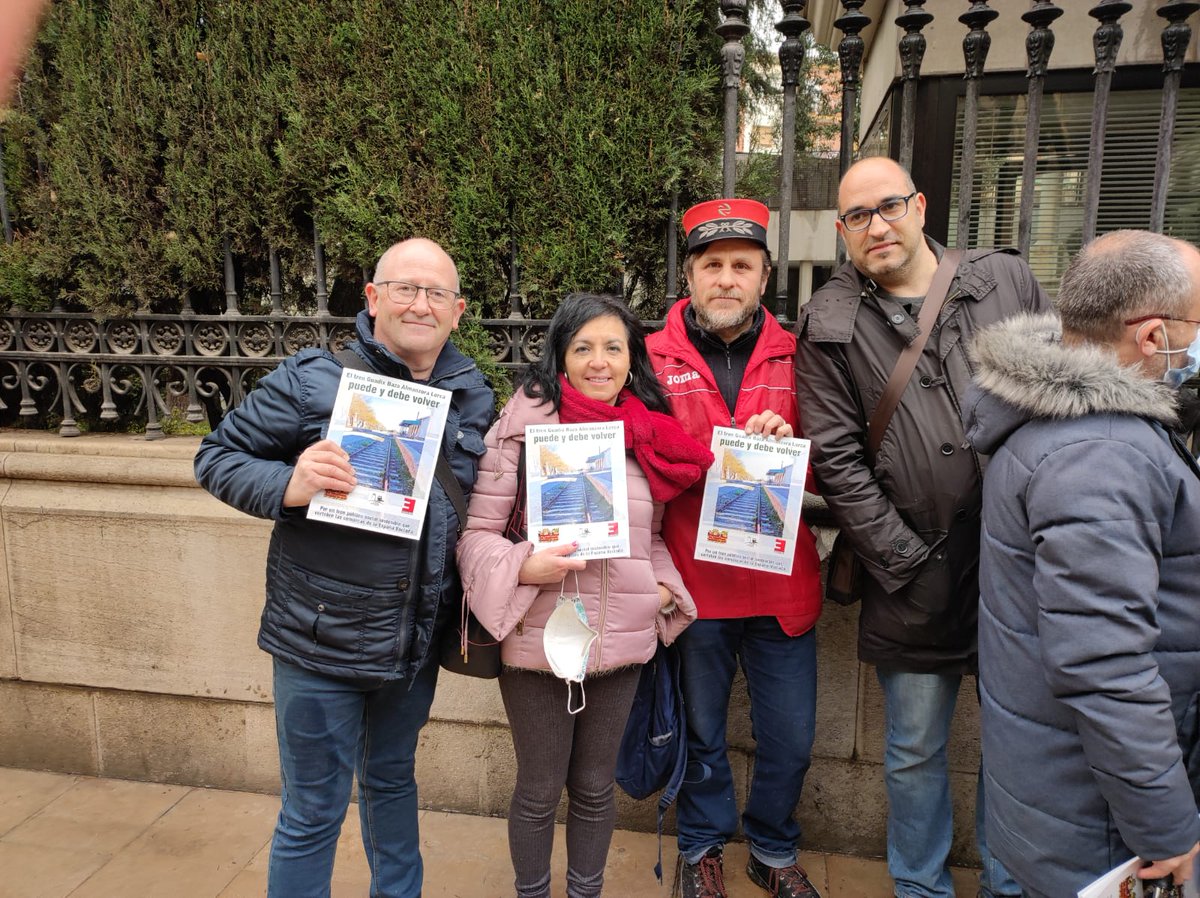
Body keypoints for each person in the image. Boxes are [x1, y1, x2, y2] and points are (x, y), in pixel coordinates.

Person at [194, 238, 494, 898]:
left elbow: (484, 505)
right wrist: (291, 484)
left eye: (437, 293)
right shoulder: (312, 379)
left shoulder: (472, 395)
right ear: (374, 298)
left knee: (392, 790)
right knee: (312, 813)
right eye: (406, 288)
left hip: (409, 648)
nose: (421, 304)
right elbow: (216, 458)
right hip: (318, 643)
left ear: (458, 310)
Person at [794, 156, 1049, 898]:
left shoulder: (1003, 280)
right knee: (911, 748)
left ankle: (1010, 883)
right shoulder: (829, 322)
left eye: (888, 206)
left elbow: (1056, 394)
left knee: (1016, 745)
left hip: (1017, 560)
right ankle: (921, 887)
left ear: (920, 205)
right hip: (912, 570)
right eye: (857, 217)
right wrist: (901, 557)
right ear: (842, 232)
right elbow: (836, 457)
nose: (876, 226)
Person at [964, 230, 1200, 898]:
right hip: (1103, 826)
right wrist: (1168, 828)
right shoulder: (1100, 453)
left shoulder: (1072, 426)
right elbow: (1105, 665)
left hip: (1067, 797)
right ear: (1152, 337)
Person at [456, 292, 708, 898]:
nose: (600, 362)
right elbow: (475, 540)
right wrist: (523, 565)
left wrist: (664, 587)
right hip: (539, 640)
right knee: (539, 789)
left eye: (613, 348)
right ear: (561, 357)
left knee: (596, 788)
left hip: (620, 639)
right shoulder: (518, 433)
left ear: (631, 358)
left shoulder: (645, 436)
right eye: (583, 347)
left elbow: (647, 542)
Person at [646, 199, 824, 898]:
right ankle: (701, 847)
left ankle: (773, 849)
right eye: (712, 265)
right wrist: (690, 456)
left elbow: (838, 459)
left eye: (741, 266)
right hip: (693, 584)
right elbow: (635, 462)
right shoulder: (651, 357)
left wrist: (792, 452)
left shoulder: (802, 354)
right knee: (701, 732)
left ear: (764, 275)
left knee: (791, 738)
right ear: (690, 274)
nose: (726, 279)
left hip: (784, 588)